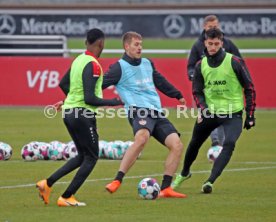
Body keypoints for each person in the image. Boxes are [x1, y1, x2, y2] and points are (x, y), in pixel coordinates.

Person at [36, 28, 123, 207]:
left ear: (86, 42)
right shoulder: (93, 64)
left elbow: (64, 84)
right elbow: (90, 98)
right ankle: (67, 196)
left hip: (70, 112)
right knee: (92, 157)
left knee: (83, 155)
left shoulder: (78, 60)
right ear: (101, 43)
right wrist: (114, 102)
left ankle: (47, 183)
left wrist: (68, 101)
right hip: (82, 114)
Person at [103, 31, 187, 198]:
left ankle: (166, 188)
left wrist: (177, 94)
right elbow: (100, 85)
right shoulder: (118, 67)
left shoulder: (148, 63)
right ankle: (117, 180)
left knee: (177, 145)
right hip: (138, 110)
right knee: (142, 137)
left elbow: (160, 81)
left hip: (156, 111)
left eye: (141, 44)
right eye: (136, 44)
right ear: (126, 47)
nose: (140, 47)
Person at [172, 28, 256, 193]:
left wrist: (250, 114)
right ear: (205, 43)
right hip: (210, 113)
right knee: (194, 143)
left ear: (221, 43)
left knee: (229, 143)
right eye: (210, 43)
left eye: (216, 44)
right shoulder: (200, 65)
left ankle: (210, 181)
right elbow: (197, 91)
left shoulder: (235, 62)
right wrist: (203, 109)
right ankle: (183, 173)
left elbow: (249, 88)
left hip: (233, 114)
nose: (213, 47)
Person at [187, 15, 242, 149]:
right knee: (209, 117)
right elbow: (190, 66)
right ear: (204, 27)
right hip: (206, 90)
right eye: (210, 27)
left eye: (215, 26)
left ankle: (219, 145)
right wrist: (193, 75)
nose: (213, 28)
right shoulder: (197, 46)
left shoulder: (227, 43)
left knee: (223, 118)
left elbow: (239, 62)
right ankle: (216, 142)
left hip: (224, 91)